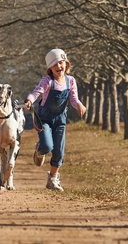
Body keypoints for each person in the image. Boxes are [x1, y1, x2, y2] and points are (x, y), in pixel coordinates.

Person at [24, 48, 86, 191]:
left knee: (58, 151)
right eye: (55, 64)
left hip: (60, 121)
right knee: (47, 147)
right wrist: (29, 100)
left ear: (66, 64)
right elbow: (36, 92)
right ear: (50, 68)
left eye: (62, 63)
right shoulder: (47, 81)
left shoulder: (70, 81)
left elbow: (74, 99)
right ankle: (40, 149)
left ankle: (52, 179)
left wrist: (79, 105)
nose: (59, 66)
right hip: (44, 119)